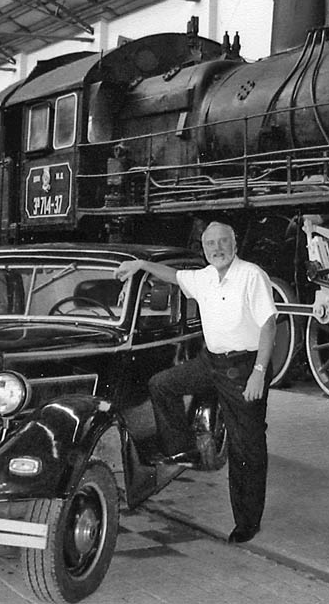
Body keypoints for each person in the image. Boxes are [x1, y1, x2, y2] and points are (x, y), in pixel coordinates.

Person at [114, 221, 277, 544]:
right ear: (203, 249)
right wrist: (141, 265)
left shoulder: (251, 275)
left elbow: (269, 324)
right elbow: (174, 276)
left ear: (234, 245)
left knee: (247, 447)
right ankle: (182, 450)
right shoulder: (203, 277)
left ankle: (247, 522)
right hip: (211, 361)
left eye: (223, 242)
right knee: (162, 384)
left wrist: (259, 372)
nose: (217, 249)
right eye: (210, 244)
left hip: (245, 367)